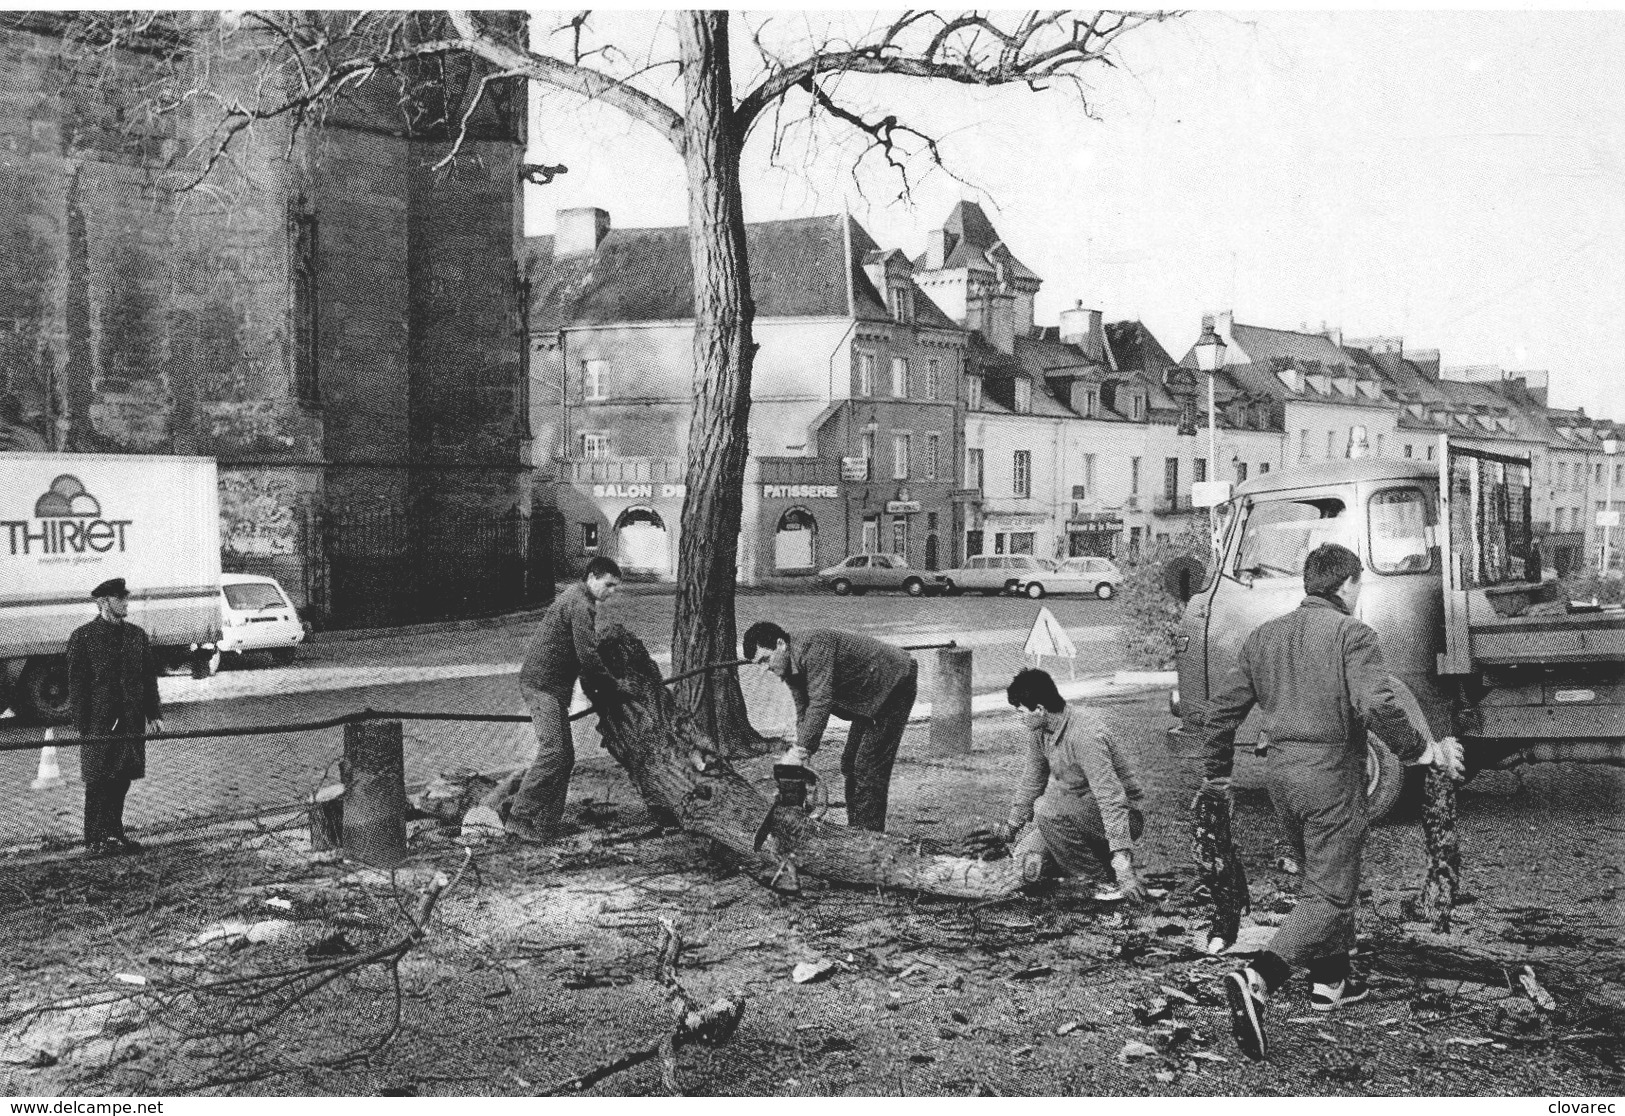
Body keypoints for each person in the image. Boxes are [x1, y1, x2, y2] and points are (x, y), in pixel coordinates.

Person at [1196, 542, 1463, 1061]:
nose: (1358, 592)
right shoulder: (1353, 635)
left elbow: (1219, 713)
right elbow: (1376, 704)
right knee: (1331, 892)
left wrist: (1216, 776)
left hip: (1281, 779)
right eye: (1358, 584)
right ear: (1345, 586)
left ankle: (1330, 980)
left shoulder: (1264, 637)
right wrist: (1422, 752)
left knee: (1320, 877)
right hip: (1332, 775)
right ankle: (1259, 977)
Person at [742, 621, 916, 832]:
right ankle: (857, 831)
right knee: (850, 764)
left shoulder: (813, 646)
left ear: (780, 644)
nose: (764, 669)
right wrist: (803, 751)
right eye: (758, 664)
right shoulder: (789, 665)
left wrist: (800, 750)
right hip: (870, 697)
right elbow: (803, 711)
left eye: (765, 659)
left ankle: (870, 838)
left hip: (894, 684)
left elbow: (820, 702)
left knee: (867, 767)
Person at [992, 667, 1149, 901]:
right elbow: (1031, 782)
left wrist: (1122, 861)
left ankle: (1098, 883)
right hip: (1076, 816)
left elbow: (1111, 798)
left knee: (1046, 808)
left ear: (1040, 710)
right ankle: (1095, 860)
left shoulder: (1086, 735)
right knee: (1025, 864)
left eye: (1020, 711)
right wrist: (1011, 828)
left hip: (1122, 817)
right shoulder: (1040, 730)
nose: (1018, 717)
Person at [508, 556, 622, 842]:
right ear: (592, 577)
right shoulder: (580, 604)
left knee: (566, 756)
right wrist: (614, 686)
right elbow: (587, 656)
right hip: (541, 686)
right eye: (608, 585)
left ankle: (547, 824)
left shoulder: (578, 598)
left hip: (552, 688)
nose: (611, 592)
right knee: (554, 752)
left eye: (615, 587)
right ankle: (519, 818)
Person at [66, 577, 163, 858]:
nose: (126, 603)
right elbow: (77, 685)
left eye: (126, 598)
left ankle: (113, 832)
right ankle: (94, 839)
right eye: (120, 599)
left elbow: (148, 679)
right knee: (98, 780)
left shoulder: (137, 636)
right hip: (99, 723)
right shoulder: (83, 637)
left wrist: (153, 713)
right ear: (103, 602)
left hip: (130, 721)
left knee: (122, 778)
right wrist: (83, 726)